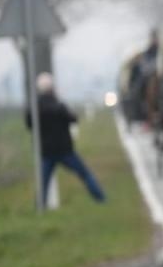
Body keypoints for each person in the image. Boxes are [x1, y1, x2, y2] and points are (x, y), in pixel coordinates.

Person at [26, 73, 106, 205]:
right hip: (64, 150)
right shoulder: (58, 105)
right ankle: (101, 198)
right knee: (85, 174)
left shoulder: (35, 108)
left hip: (46, 151)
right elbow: (73, 118)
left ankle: (40, 206)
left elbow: (29, 124)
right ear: (52, 87)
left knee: (43, 183)